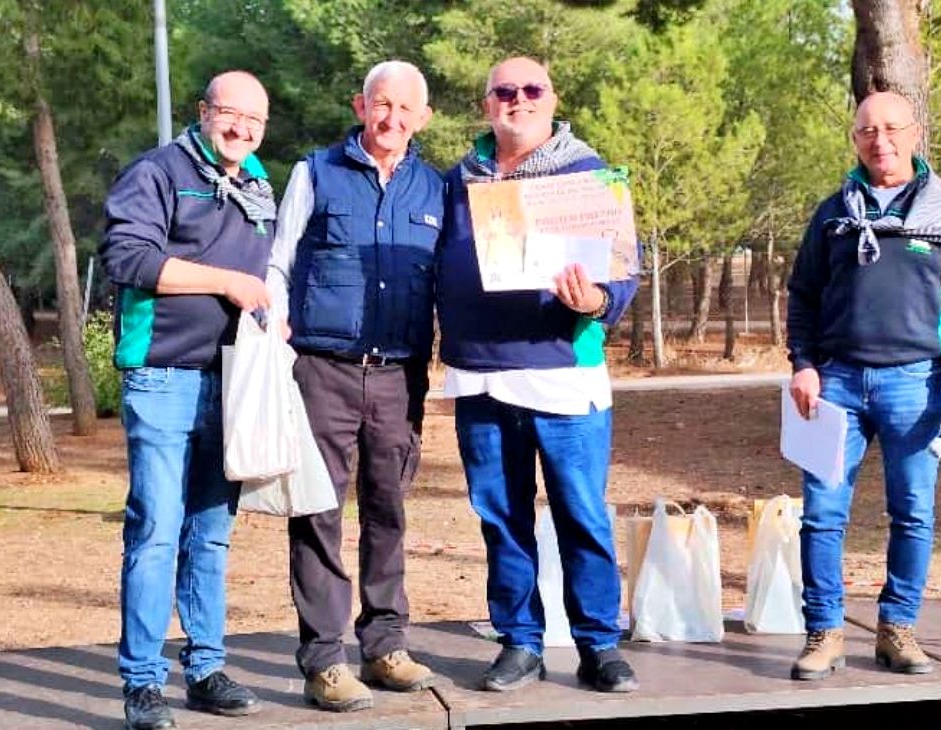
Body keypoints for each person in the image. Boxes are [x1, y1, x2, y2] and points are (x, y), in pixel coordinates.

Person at [437, 56, 640, 694]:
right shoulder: (456, 181)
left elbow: (623, 277)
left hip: (564, 379)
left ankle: (599, 645)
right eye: (504, 91)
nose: (517, 101)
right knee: (501, 518)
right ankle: (519, 641)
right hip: (480, 380)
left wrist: (596, 301)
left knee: (581, 514)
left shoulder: (588, 175)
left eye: (531, 90)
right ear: (486, 103)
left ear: (552, 100)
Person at [785, 91, 941, 680]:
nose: (881, 140)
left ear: (915, 133)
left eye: (892, 128)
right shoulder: (833, 215)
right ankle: (823, 632)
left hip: (916, 386)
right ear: (855, 140)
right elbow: (802, 295)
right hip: (836, 386)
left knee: (913, 515)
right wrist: (803, 363)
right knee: (822, 515)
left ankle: (896, 630)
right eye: (867, 130)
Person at [264, 60, 441, 713]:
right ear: (360, 105)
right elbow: (278, 260)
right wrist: (273, 326)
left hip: (400, 376)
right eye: (381, 104)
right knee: (318, 515)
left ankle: (385, 645)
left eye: (405, 109)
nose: (391, 118)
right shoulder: (315, 172)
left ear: (422, 118)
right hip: (323, 370)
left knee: (389, 512)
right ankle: (324, 661)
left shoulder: (437, 189)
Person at [101, 70, 274, 729]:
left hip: (233, 382)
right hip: (163, 377)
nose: (242, 129)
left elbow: (263, 275)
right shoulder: (158, 171)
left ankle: (205, 668)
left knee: (210, 534)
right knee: (155, 530)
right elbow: (131, 260)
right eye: (231, 114)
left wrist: (268, 309)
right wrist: (230, 282)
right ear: (204, 111)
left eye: (255, 121)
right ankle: (142, 684)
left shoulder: (260, 182)